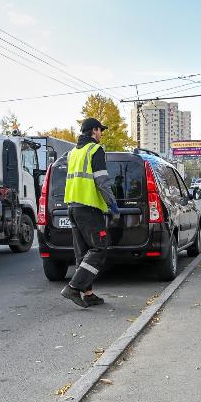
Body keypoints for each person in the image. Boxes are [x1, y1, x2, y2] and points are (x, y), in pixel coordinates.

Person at [60, 117, 120, 308]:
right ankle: (73, 287)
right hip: (89, 208)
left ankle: (88, 293)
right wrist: (113, 205)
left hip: (72, 207)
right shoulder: (95, 150)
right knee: (99, 247)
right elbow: (102, 182)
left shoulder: (72, 153)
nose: (102, 133)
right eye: (101, 130)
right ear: (94, 130)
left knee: (83, 253)